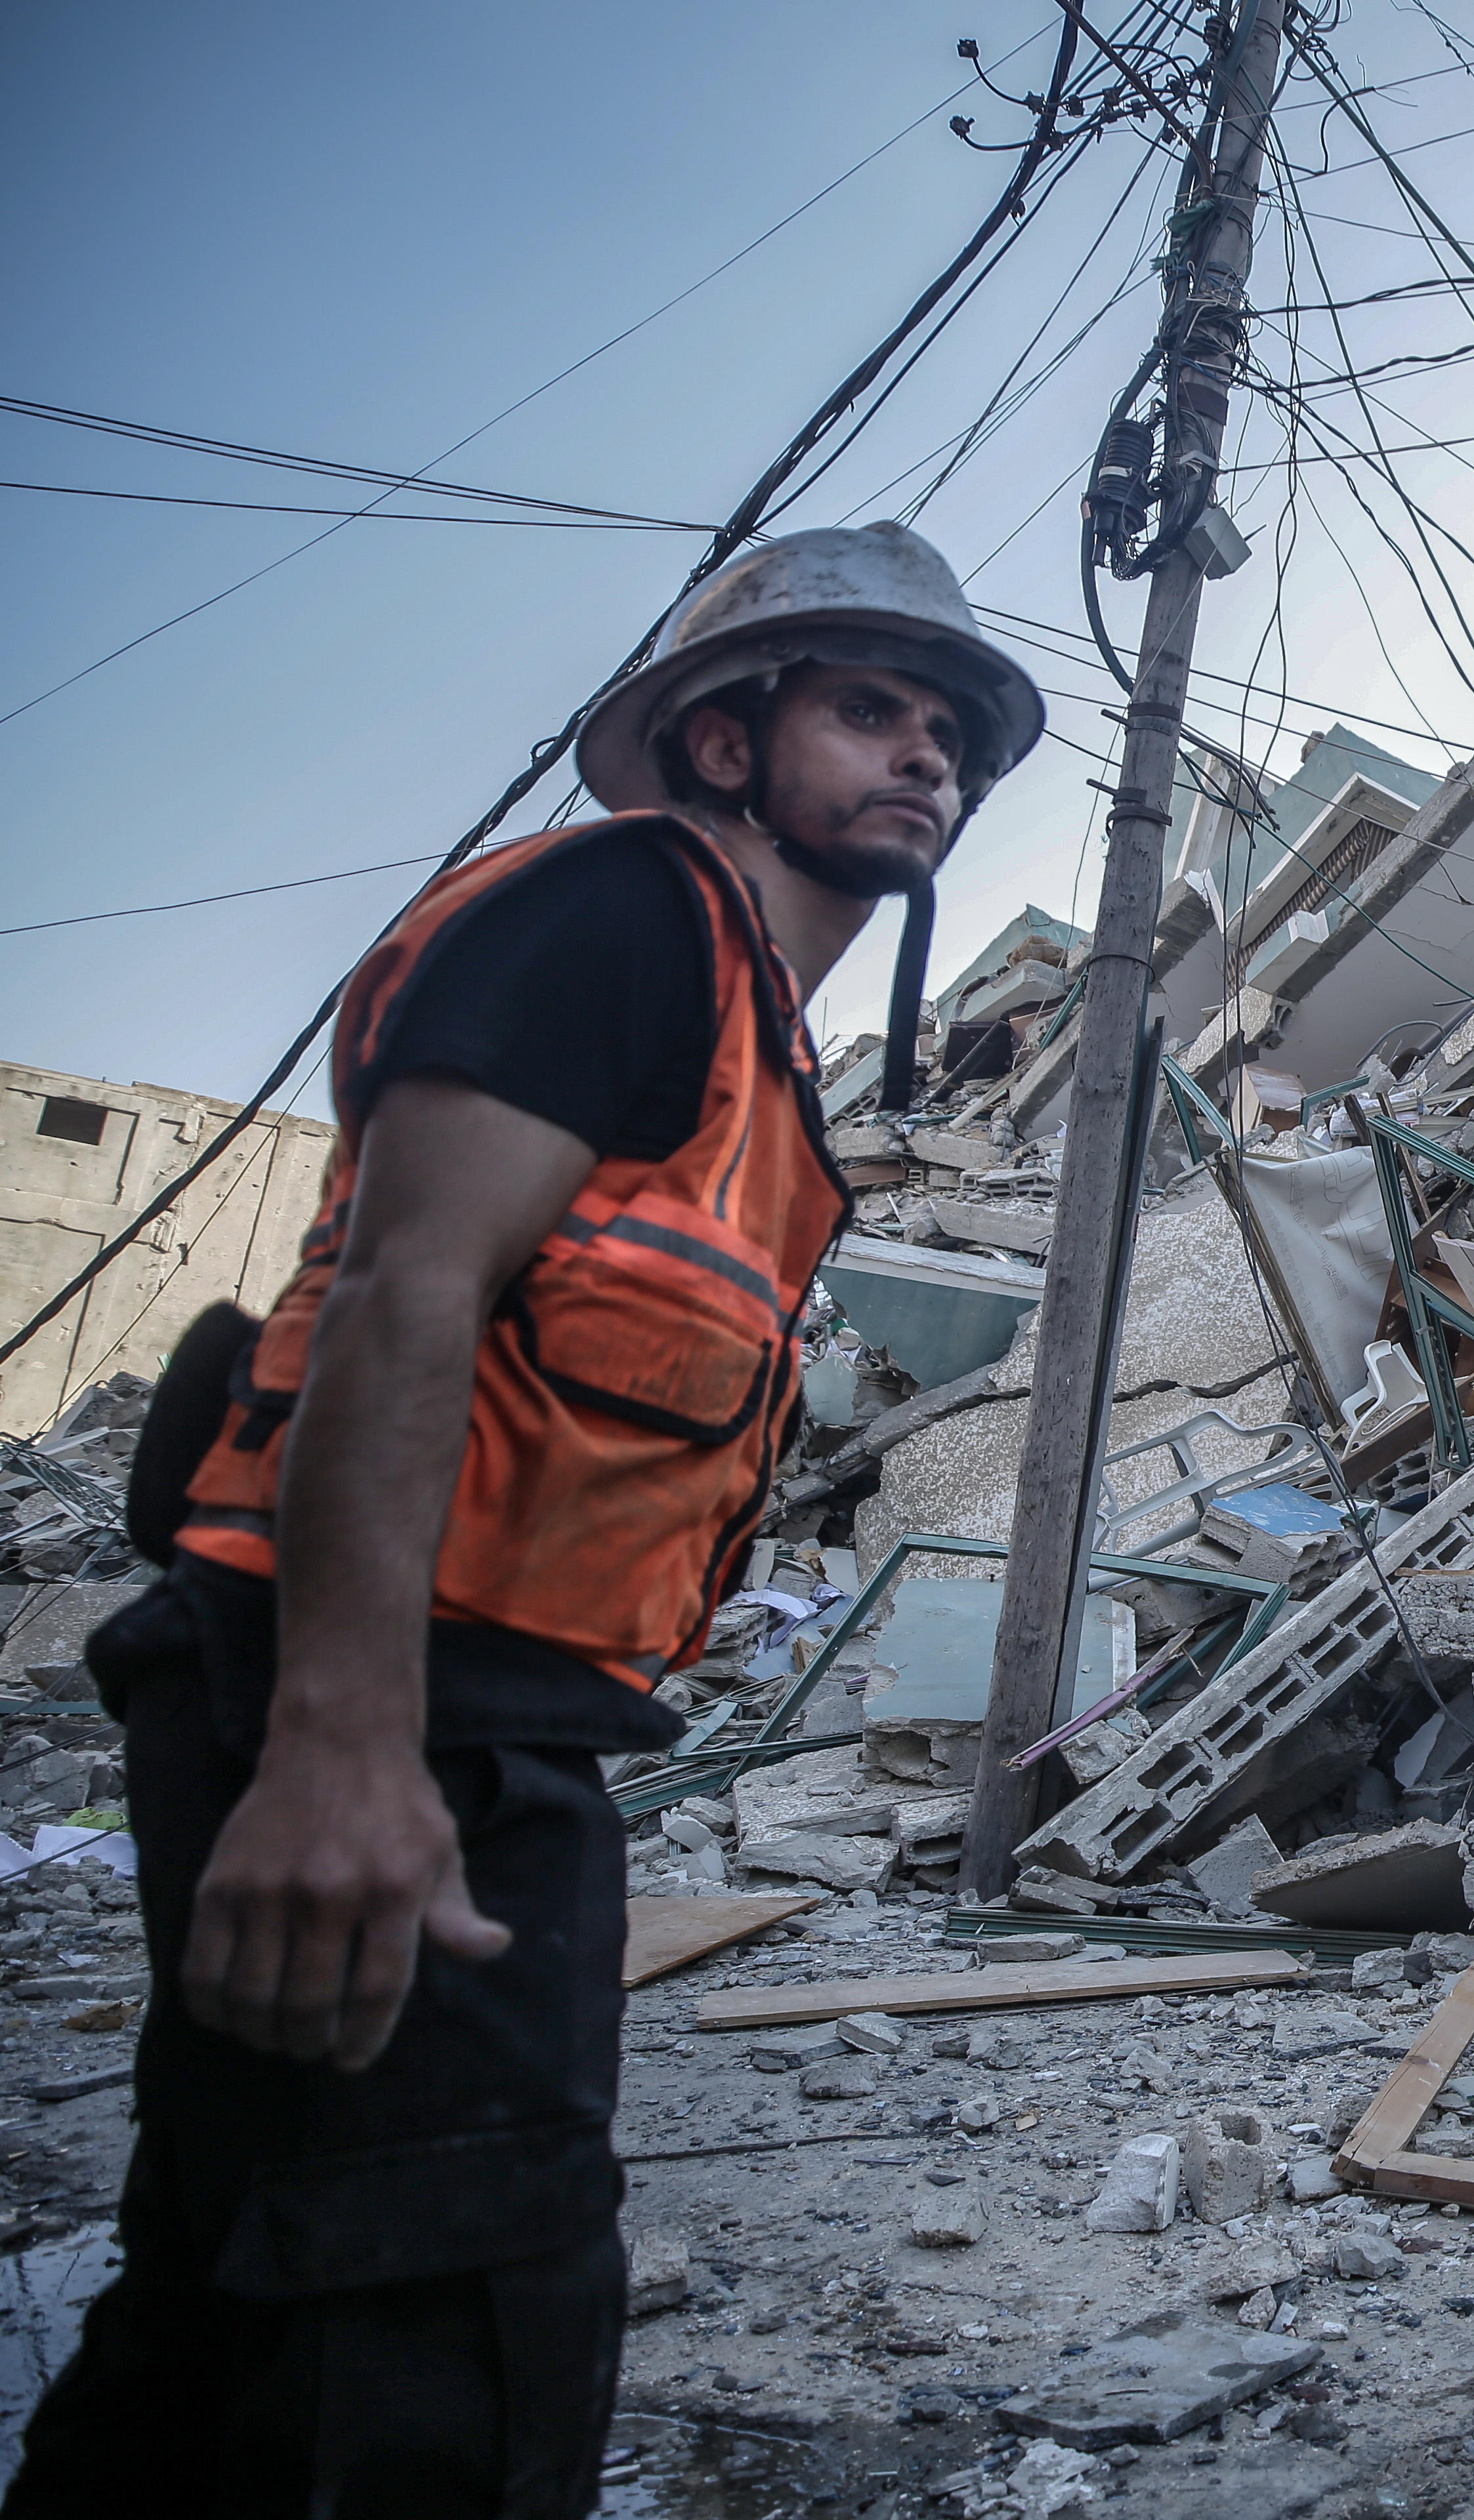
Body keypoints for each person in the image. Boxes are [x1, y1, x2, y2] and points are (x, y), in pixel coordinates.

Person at [7, 522, 1043, 2517]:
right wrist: (343, 1752)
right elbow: (406, 1295)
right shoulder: (627, 910)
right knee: (455, 2323)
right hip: (387, 1700)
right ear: (726, 743)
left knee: (241, 2309)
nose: (927, 754)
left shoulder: (752, 1042)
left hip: (471, 1705)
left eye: (950, 733)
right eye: (867, 708)